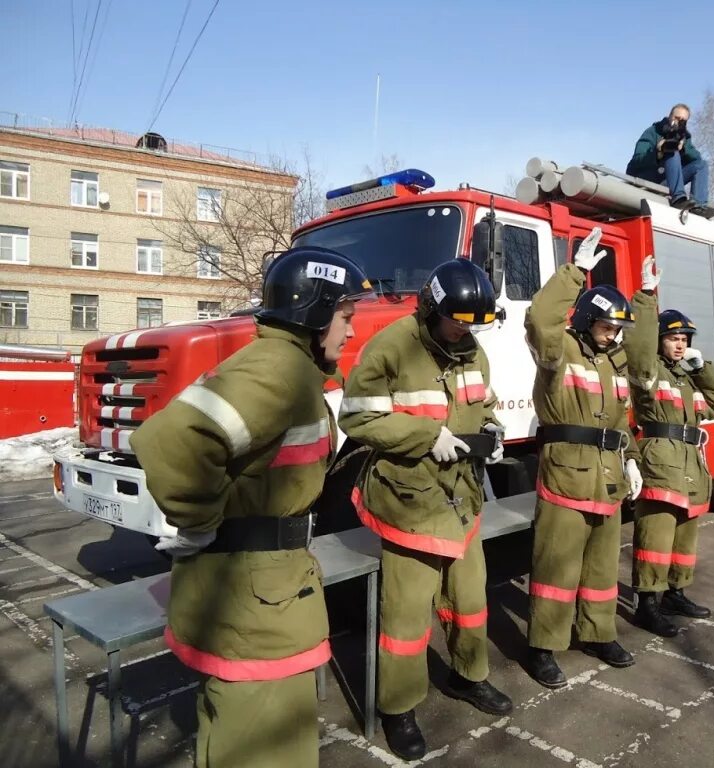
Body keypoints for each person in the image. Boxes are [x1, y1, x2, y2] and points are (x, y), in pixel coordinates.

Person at [129, 246, 375, 768]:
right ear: (313, 312)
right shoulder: (279, 370)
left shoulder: (290, 368)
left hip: (260, 594)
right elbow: (172, 440)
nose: (352, 332)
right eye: (346, 317)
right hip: (257, 606)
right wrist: (198, 521)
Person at [337, 259, 512, 761]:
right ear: (433, 309)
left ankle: (467, 677)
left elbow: (482, 399)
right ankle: (399, 707)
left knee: (470, 599)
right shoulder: (393, 346)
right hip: (409, 500)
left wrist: (492, 429)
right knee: (407, 618)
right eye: (459, 322)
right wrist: (424, 435)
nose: (466, 333)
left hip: (462, 498)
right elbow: (357, 416)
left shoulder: (471, 346)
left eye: (475, 325)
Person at [524, 227, 644, 689]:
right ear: (586, 322)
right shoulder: (559, 351)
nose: (613, 336)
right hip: (566, 476)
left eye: (618, 330)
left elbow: (618, 420)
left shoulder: (616, 364)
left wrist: (630, 458)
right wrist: (575, 272)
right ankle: (544, 646)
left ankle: (597, 633)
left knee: (599, 567)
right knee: (556, 566)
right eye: (607, 326)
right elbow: (539, 318)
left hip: (607, 478)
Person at [623, 259, 714, 637]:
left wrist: (702, 368)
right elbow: (637, 348)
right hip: (661, 460)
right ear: (659, 341)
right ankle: (647, 604)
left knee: (685, 536)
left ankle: (675, 591)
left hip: (689, 465)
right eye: (674, 338)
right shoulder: (648, 372)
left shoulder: (687, 377)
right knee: (655, 537)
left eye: (685, 339)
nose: (681, 343)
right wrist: (646, 296)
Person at [627, 103, 710, 209]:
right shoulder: (653, 131)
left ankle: (699, 205)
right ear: (670, 116)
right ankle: (678, 197)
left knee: (702, 165)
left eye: (683, 120)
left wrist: (684, 148)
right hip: (648, 181)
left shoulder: (685, 138)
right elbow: (637, 159)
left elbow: (697, 160)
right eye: (676, 118)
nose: (678, 122)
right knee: (672, 151)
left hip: (667, 183)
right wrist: (658, 151)